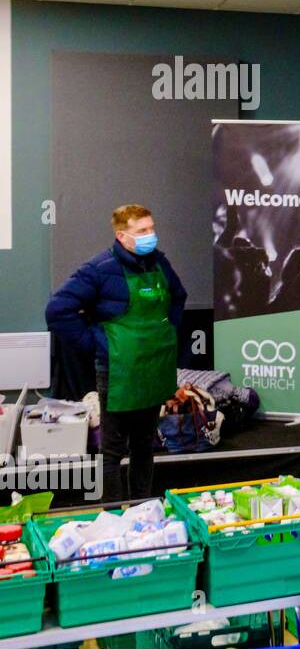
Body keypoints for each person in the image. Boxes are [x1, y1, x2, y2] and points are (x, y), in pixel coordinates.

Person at [46, 204, 187, 502]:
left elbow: (178, 296)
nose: (151, 235)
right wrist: (99, 344)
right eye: (142, 231)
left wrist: (166, 331)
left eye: (152, 228)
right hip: (118, 372)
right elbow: (58, 310)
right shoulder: (98, 269)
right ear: (122, 236)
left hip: (153, 367)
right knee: (111, 452)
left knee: (144, 446)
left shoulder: (160, 264)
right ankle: (114, 516)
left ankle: (141, 508)